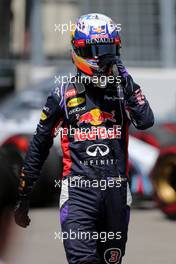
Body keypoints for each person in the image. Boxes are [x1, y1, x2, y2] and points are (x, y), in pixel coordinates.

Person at [14, 13, 154, 264]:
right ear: (79, 51)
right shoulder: (62, 94)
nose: (104, 57)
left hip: (117, 193)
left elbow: (146, 121)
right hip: (79, 193)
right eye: (97, 50)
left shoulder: (123, 89)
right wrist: (24, 196)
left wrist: (125, 78)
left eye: (109, 49)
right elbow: (39, 145)